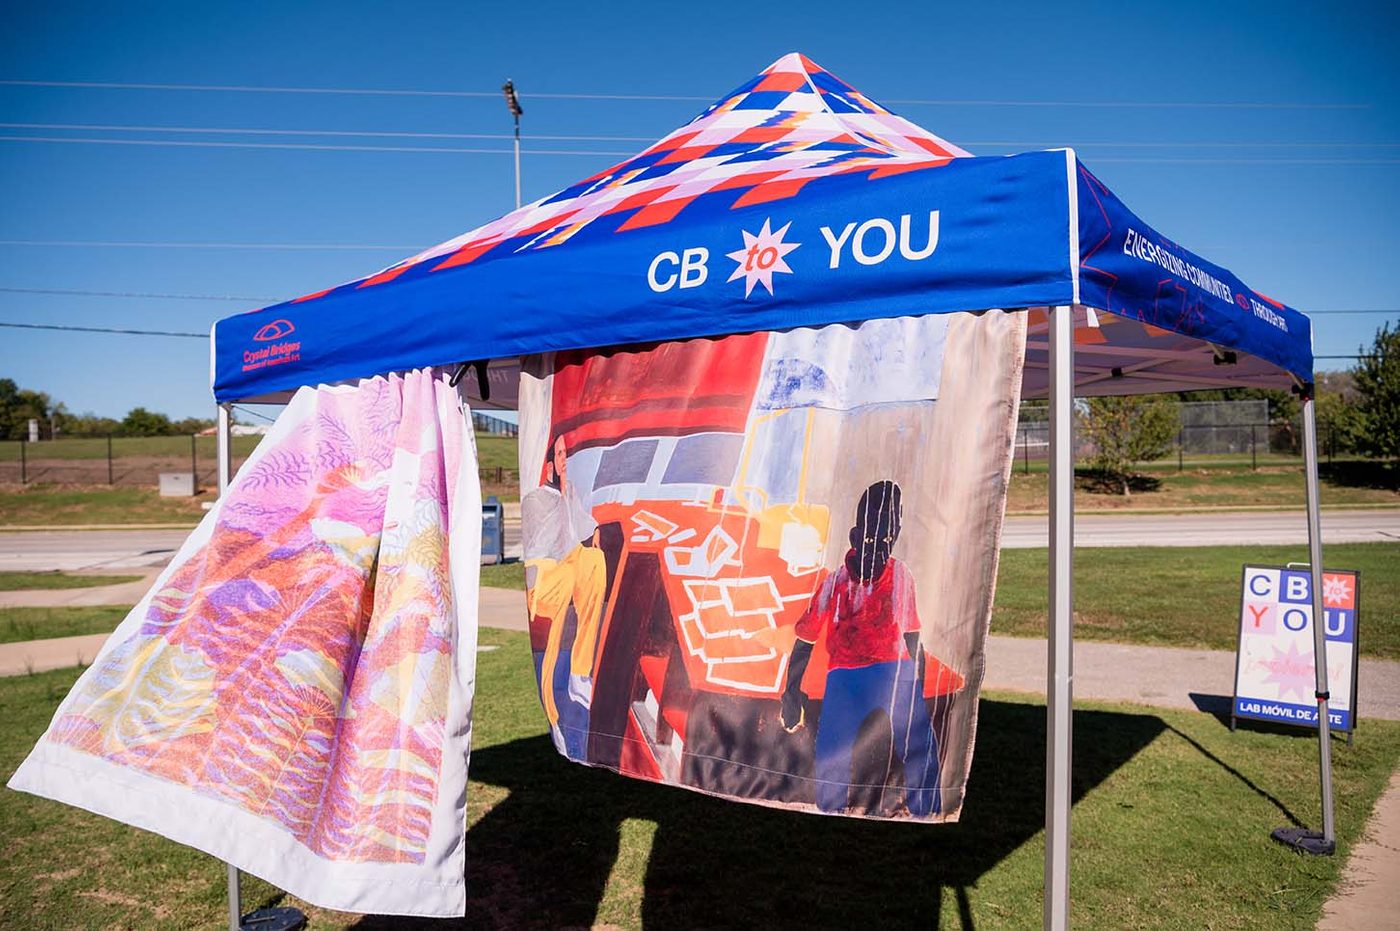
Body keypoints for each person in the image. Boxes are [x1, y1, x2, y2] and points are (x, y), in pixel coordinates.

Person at [779, 480, 941, 816]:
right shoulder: (836, 582)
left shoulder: (900, 576)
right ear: (854, 537)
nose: (877, 550)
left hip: (894, 672)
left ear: (894, 539)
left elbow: (913, 637)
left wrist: (918, 692)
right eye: (869, 540)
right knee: (832, 746)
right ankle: (830, 809)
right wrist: (790, 693)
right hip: (846, 676)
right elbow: (805, 639)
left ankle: (926, 809)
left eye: (885, 542)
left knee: (919, 740)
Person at [521, 433, 608, 758]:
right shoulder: (536, 499)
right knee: (569, 576)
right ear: (548, 464)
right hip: (543, 575)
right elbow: (543, 546)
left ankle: (580, 672)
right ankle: (555, 716)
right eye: (559, 454)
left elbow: (580, 527)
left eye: (565, 454)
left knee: (594, 561)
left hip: (564, 569)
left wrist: (594, 529)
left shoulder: (568, 492)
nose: (564, 459)